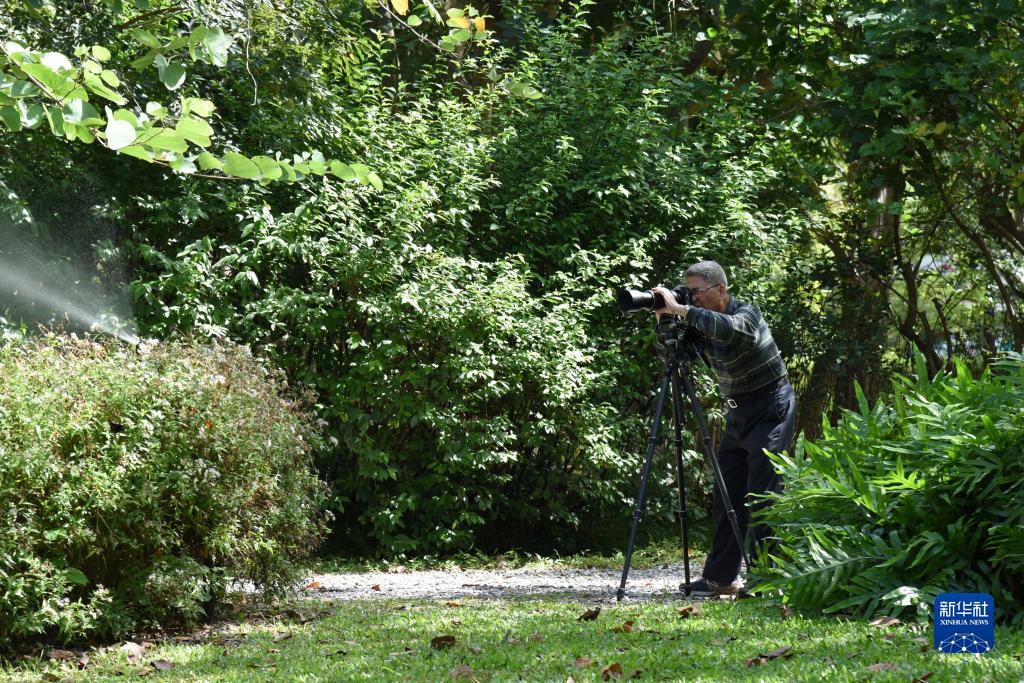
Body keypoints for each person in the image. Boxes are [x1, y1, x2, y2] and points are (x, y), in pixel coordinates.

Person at [652, 260, 796, 597]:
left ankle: (767, 578)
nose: (692, 299)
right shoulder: (700, 320)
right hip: (737, 411)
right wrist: (665, 323)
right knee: (727, 493)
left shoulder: (747, 314)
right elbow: (675, 357)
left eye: (697, 292)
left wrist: (684, 310)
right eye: (687, 293)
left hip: (771, 406)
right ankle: (721, 578)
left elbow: (731, 329)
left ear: (721, 290)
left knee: (763, 493)